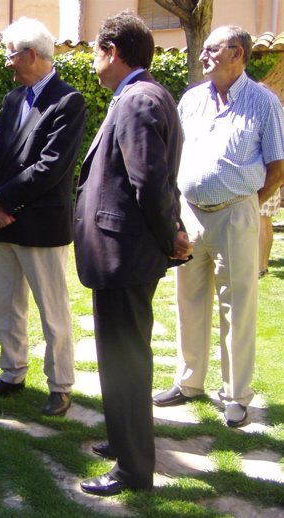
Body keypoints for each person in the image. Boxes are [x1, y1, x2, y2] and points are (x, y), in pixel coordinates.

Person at [74, 12, 191, 496]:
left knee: (125, 362)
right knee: (120, 358)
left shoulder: (138, 100)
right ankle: (124, 444)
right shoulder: (143, 94)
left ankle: (133, 470)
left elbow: (149, 182)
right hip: (123, 252)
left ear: (113, 51)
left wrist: (172, 238)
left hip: (126, 254)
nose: (93, 62)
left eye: (96, 52)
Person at [153, 26, 284, 428]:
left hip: (236, 213)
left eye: (213, 49)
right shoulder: (192, 99)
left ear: (238, 53)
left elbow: (277, 166)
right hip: (190, 213)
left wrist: (247, 205)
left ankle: (235, 395)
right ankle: (189, 382)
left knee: (237, 306)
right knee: (188, 300)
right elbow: (172, 152)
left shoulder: (263, 102)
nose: (205, 55)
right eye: (204, 48)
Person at [0, 17, 85, 418]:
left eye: (11, 54)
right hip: (3, 221)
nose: (8, 63)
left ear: (32, 55)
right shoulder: (12, 99)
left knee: (52, 312)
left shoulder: (67, 101)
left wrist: (0, 199)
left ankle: (60, 386)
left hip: (40, 224)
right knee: (5, 305)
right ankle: (12, 372)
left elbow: (50, 167)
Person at [259, 188, 281, 278]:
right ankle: (264, 266)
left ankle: (259, 268)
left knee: (262, 227)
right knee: (267, 226)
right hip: (272, 186)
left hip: (263, 186)